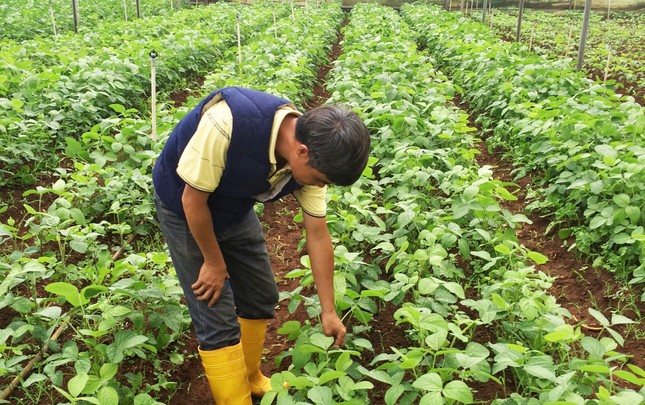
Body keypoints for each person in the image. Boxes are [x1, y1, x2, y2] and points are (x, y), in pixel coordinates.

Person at [152, 87, 371, 404]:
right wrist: (214, 263)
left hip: (234, 207)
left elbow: (319, 234)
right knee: (216, 317)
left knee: (261, 296)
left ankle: (251, 377)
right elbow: (193, 201)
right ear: (302, 152)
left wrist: (328, 310)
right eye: (321, 179)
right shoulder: (226, 123)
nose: (321, 186)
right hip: (184, 206)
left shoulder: (313, 156)